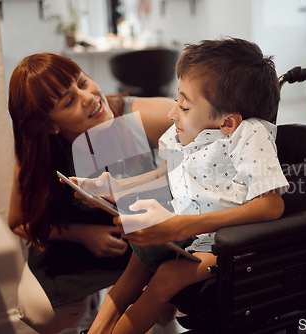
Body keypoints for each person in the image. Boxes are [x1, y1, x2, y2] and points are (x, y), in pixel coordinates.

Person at [85, 37, 290, 333]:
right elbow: (166, 174)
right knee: (134, 268)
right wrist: (115, 187)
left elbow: (272, 205)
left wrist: (182, 226)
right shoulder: (183, 130)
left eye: (184, 105)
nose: (172, 113)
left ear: (228, 122)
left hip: (227, 239)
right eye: (177, 101)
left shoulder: (248, 135)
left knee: (166, 276)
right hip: (185, 224)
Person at [7, 52, 174, 333]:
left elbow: (210, 133)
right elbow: (18, 222)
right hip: (74, 242)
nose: (88, 97)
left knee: (161, 311)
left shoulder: (143, 116)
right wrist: (83, 234)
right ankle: (84, 310)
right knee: (40, 313)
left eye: (82, 83)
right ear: (50, 125)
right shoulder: (38, 155)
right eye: (68, 101)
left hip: (138, 238)